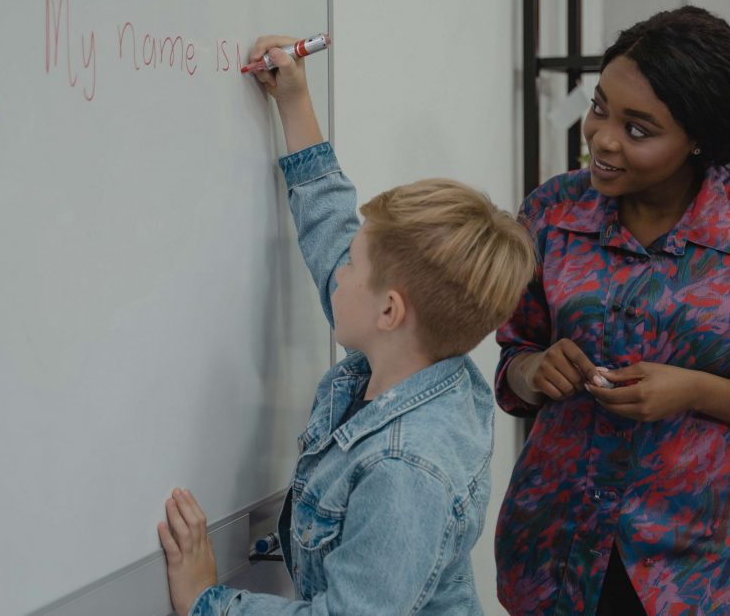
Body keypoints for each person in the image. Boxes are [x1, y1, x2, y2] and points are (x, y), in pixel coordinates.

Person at [157, 35, 536, 616]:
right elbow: (332, 228)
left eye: (353, 264)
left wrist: (208, 603)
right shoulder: (418, 353)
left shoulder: (406, 471)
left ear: (389, 311)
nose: (339, 271)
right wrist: (294, 103)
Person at [494, 5, 730, 615]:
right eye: (599, 107)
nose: (602, 138)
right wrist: (534, 368)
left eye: (638, 129)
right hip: (555, 549)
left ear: (699, 137)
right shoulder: (551, 213)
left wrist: (697, 391)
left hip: (696, 568)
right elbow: (513, 356)